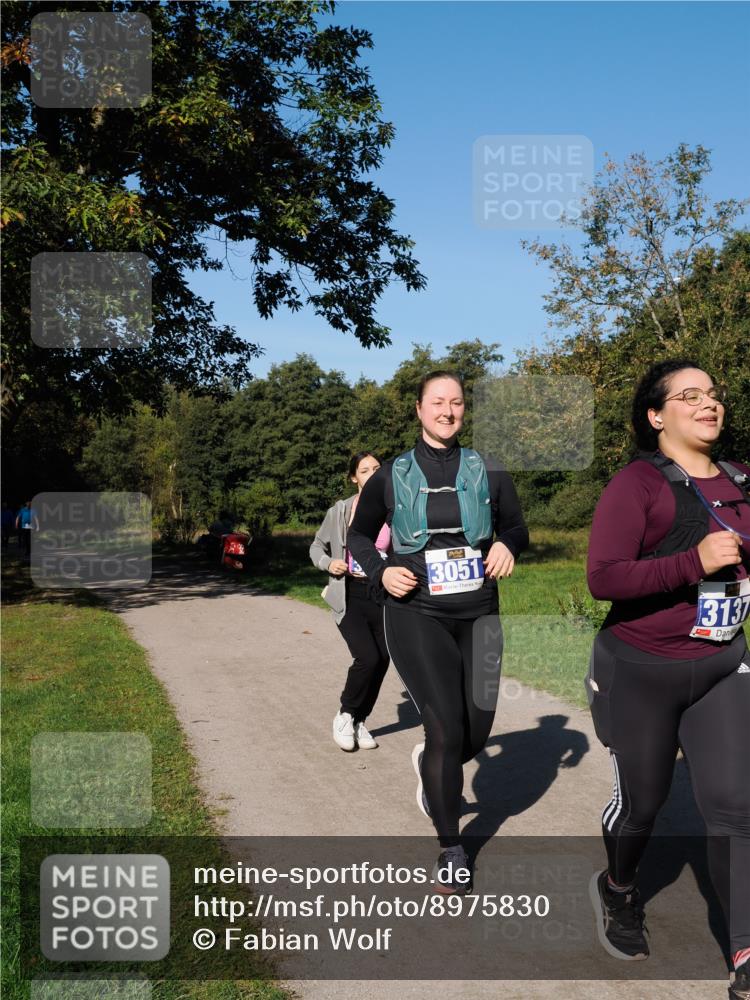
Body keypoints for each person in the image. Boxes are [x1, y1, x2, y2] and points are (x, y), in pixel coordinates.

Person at [585, 359, 750, 999]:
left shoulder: (741, 480)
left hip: (721, 664)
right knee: (643, 807)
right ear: (657, 416)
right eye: (690, 396)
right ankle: (619, 889)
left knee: (737, 809)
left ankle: (744, 955)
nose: (709, 403)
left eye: (713, 393)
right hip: (640, 670)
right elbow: (604, 578)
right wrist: (693, 560)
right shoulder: (637, 485)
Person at [347, 371, 529, 892]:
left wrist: (507, 545)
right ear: (419, 410)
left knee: (477, 728)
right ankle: (451, 846)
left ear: (464, 410)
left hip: (480, 611)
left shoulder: (488, 469)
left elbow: (516, 526)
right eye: (437, 402)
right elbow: (360, 535)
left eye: (456, 403)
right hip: (416, 610)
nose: (447, 411)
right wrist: (381, 570)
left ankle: (432, 765)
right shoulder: (392, 474)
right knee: (446, 728)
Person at [310, 452, 391, 752]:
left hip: (382, 594)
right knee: (367, 657)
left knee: (383, 659)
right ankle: (344, 714)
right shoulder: (341, 510)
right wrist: (328, 563)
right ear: (354, 477)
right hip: (349, 594)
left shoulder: (395, 510)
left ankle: (359, 720)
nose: (371, 474)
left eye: (376, 469)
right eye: (364, 470)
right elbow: (316, 545)